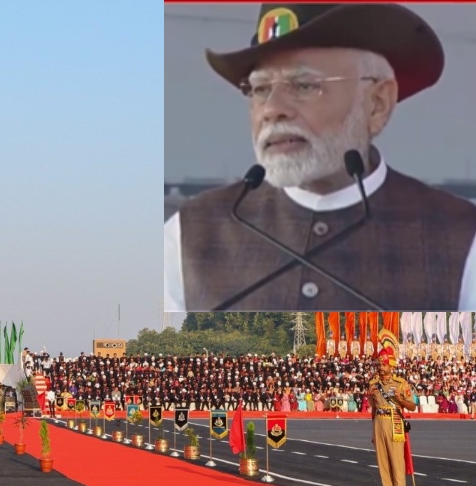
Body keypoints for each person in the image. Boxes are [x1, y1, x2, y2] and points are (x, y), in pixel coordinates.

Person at [164, 4, 476, 311]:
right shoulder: (189, 233)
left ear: (378, 103)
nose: (272, 109)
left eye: (303, 85)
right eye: (260, 89)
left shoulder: (461, 237)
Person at [368, 333, 417, 486]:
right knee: (382, 462)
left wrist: (399, 399)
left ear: (391, 365)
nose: (380, 368)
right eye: (379, 364)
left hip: (394, 420)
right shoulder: (373, 384)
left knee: (397, 461)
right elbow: (373, 408)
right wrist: (373, 431)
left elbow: (412, 406)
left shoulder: (400, 383)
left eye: (383, 364)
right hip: (379, 422)